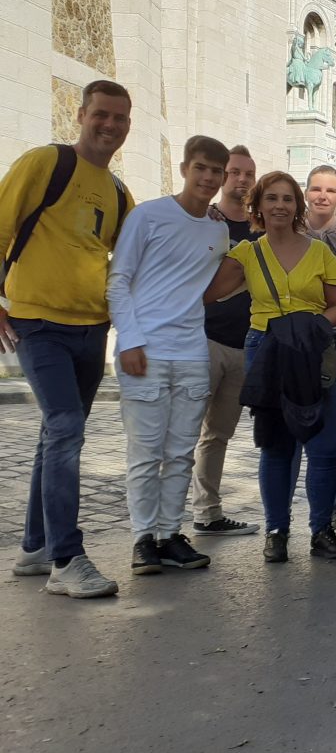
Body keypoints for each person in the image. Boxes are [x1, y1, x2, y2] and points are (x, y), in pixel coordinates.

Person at [0, 79, 134, 598]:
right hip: (37, 323)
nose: (110, 125)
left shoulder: (119, 193)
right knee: (65, 428)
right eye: (101, 114)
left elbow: (133, 256)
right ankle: (66, 559)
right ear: (81, 115)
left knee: (54, 435)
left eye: (119, 118)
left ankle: (35, 548)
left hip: (91, 329)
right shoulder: (46, 163)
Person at [204, 170, 336, 563]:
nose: (280, 206)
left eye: (287, 199)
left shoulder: (320, 252)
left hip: (312, 350)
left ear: (297, 206)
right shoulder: (247, 254)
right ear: (258, 206)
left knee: (324, 444)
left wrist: (313, 326)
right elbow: (208, 292)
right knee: (276, 445)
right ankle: (276, 531)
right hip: (266, 349)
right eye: (272, 198)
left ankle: (321, 530)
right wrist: (205, 226)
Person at [108, 136, 231, 575]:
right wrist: (129, 340)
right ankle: (143, 538)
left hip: (192, 353)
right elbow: (118, 280)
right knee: (145, 452)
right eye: (201, 168)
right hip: (146, 351)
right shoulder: (147, 216)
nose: (208, 178)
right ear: (184, 169)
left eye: (216, 171)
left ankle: (169, 535)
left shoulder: (218, 229)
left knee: (180, 453)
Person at [190, 144, 260, 537]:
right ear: (223, 175)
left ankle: (207, 512)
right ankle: (161, 528)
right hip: (204, 340)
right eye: (235, 172)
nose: (242, 180)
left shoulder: (261, 229)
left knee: (218, 434)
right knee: (184, 432)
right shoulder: (205, 220)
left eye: (249, 174)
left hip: (243, 346)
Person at [304, 165, 336, 528]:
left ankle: (335, 503)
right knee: (291, 427)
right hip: (296, 341)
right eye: (316, 189)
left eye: (330, 190)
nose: (322, 196)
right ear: (306, 193)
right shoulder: (289, 234)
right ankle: (282, 517)